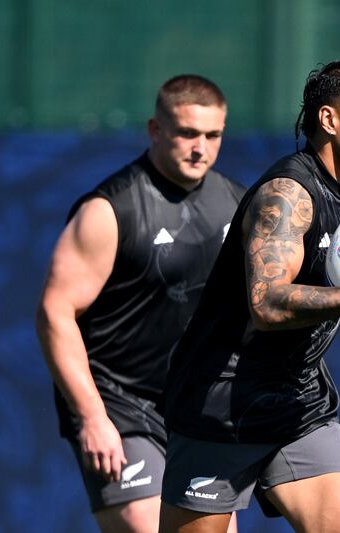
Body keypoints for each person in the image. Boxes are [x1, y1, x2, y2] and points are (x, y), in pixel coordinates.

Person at [157, 59, 340, 533]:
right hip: (221, 405)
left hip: (299, 404)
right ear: (330, 121)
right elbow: (268, 304)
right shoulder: (287, 193)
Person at [36, 74, 245, 533]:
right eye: (188, 133)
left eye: (213, 136)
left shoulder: (234, 203)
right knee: (145, 525)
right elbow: (55, 313)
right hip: (118, 403)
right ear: (155, 130)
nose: (200, 148)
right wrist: (92, 416)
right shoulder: (110, 210)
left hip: (193, 409)